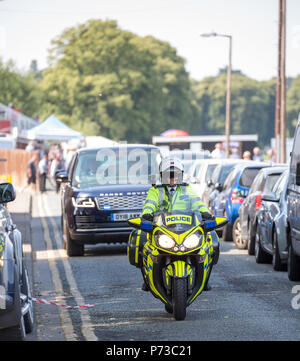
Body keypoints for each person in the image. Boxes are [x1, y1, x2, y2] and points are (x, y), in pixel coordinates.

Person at [141, 156, 215, 291]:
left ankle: (205, 280)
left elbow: (197, 203)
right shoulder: (155, 190)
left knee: (211, 242)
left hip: (185, 228)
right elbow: (149, 204)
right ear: (162, 176)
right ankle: (147, 279)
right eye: (169, 175)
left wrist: (206, 213)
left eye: (176, 175)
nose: (172, 178)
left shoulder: (187, 189)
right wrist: (147, 215)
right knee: (142, 242)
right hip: (163, 229)